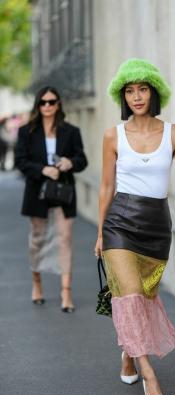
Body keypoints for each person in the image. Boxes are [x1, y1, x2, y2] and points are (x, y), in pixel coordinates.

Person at [95, 59, 175, 395]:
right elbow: (105, 187)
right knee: (129, 295)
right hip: (119, 222)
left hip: (156, 228)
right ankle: (148, 373)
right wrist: (102, 232)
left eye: (142, 89)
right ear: (123, 95)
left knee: (144, 300)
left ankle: (129, 354)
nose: (136, 96)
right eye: (129, 90)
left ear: (154, 92)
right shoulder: (112, 136)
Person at [15, 86, 88, 313]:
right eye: (43, 102)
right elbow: (21, 161)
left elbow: (82, 159)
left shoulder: (71, 131)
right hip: (37, 192)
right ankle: (37, 283)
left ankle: (65, 291)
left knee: (64, 238)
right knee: (37, 239)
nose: (47, 106)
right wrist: (43, 170)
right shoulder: (26, 131)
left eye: (52, 101)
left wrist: (69, 163)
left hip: (63, 192)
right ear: (38, 105)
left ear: (58, 104)